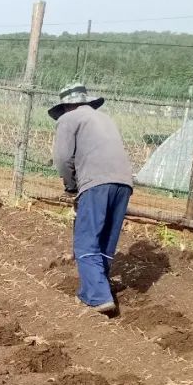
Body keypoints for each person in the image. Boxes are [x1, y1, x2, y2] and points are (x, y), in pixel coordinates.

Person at [50, 83, 134, 314]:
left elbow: (63, 158)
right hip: (124, 183)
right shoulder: (104, 118)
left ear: (66, 105)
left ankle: (98, 296)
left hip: (96, 183)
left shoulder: (68, 119)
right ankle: (96, 287)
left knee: (86, 240)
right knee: (106, 238)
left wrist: (70, 186)